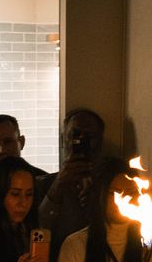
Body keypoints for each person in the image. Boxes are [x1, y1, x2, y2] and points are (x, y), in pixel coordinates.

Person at [38, 107, 105, 251]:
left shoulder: (111, 185)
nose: (81, 140)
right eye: (75, 134)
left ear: (100, 142)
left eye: (89, 136)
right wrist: (57, 186)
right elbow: (37, 230)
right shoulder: (42, 185)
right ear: (63, 140)